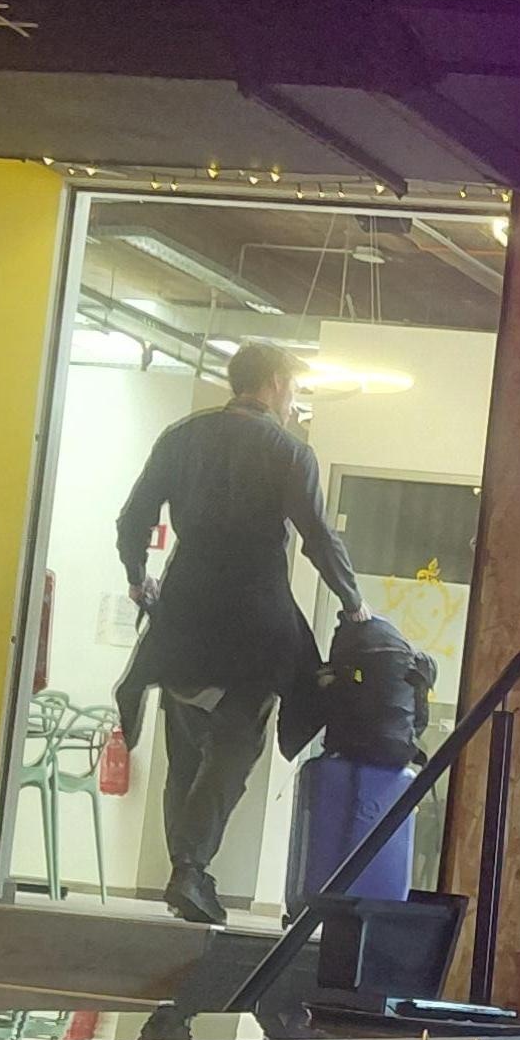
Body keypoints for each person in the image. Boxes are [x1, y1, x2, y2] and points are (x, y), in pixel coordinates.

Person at [114, 340, 362, 923]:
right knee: (235, 744)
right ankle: (189, 869)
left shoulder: (181, 436)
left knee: (184, 747)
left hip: (183, 609)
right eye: (293, 387)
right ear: (274, 382)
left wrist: (138, 578)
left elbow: (134, 516)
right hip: (253, 615)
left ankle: (188, 872)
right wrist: (353, 602)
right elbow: (317, 536)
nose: (293, 400)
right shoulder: (289, 451)